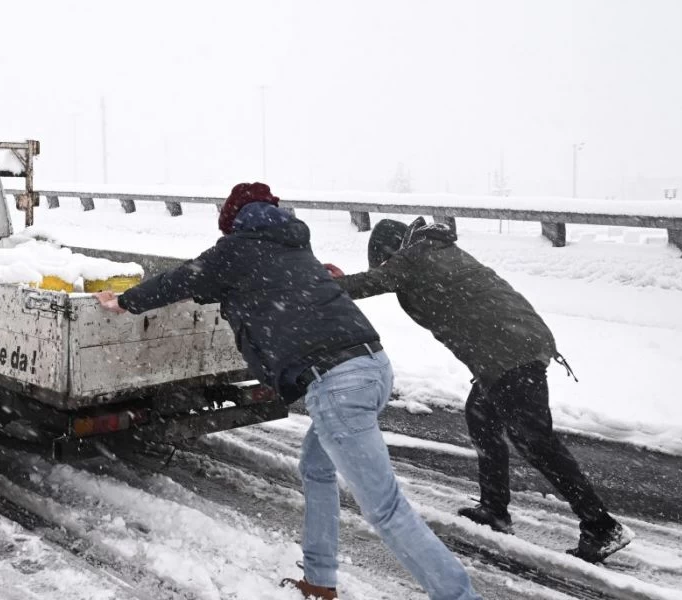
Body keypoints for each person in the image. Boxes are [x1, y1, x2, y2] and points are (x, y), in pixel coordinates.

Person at [95, 183, 480, 600]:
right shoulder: (296, 248)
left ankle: (458, 596)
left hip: (336, 383)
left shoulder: (236, 251)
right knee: (316, 467)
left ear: (233, 220)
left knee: (384, 508)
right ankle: (319, 581)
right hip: (372, 366)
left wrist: (126, 302)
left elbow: (180, 280)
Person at [329, 217, 633, 564]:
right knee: (483, 421)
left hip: (510, 353)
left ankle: (600, 524)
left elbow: (369, 283)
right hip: (510, 348)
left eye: (385, 259)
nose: (387, 266)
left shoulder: (416, 256)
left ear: (392, 249)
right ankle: (494, 510)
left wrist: (320, 283)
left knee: (536, 442)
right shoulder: (436, 251)